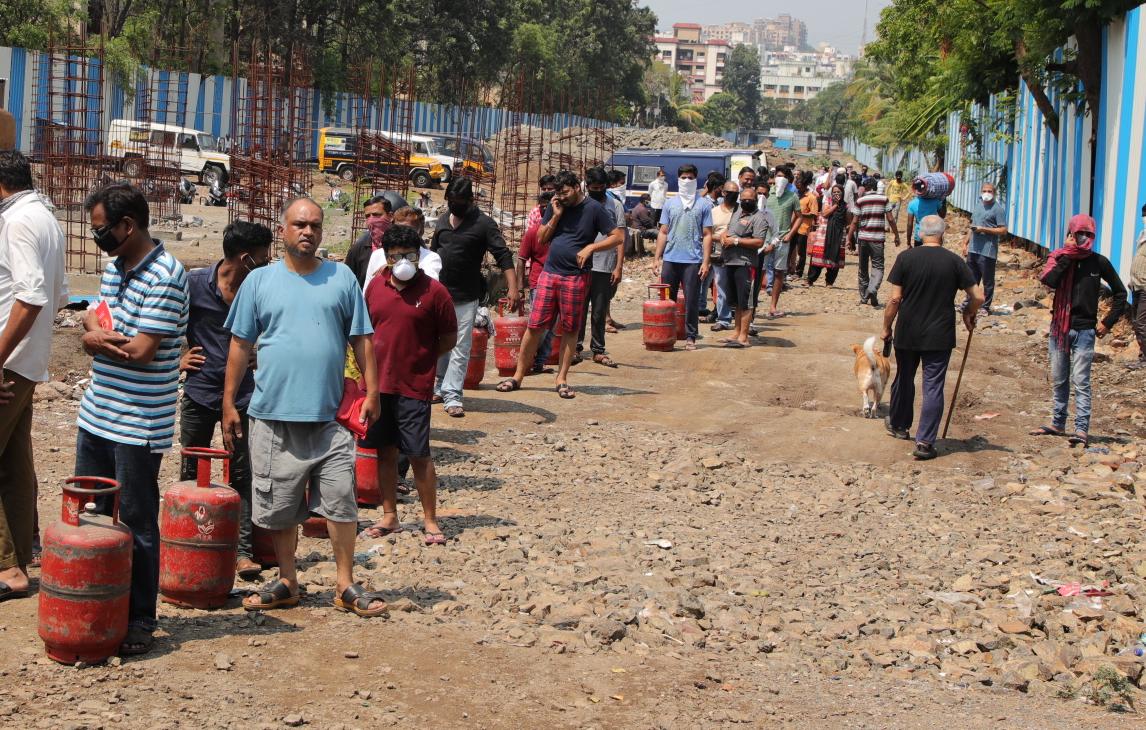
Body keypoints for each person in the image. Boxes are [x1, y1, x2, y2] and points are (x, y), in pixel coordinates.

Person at [223, 197, 385, 618]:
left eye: (314, 225)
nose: (308, 232)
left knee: (341, 502)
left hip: (330, 417)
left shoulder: (342, 278)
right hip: (273, 416)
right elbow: (240, 344)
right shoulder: (259, 282)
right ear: (284, 230)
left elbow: (362, 339)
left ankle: (345, 583)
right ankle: (288, 579)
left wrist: (372, 391)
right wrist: (228, 402)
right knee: (278, 507)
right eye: (299, 224)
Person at [75, 183, 189, 654]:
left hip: (138, 422)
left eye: (102, 229)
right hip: (97, 412)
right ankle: (100, 602)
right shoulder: (114, 266)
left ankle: (140, 616)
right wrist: (97, 333)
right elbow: (92, 316)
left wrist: (98, 339)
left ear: (128, 226)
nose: (97, 236)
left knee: (138, 519)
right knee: (92, 513)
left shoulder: (165, 274)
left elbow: (142, 351)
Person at [179, 220, 272, 582]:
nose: (267, 265)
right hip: (200, 393)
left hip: (244, 396)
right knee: (192, 471)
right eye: (263, 259)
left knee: (242, 470)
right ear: (246, 258)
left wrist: (260, 353)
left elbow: (275, 329)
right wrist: (178, 359)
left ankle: (243, 552)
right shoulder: (194, 285)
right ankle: (188, 541)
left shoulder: (259, 290)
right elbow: (167, 324)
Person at [360, 225, 458, 544]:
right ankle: (390, 515)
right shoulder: (375, 287)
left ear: (419, 256)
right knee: (384, 452)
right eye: (396, 255)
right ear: (386, 258)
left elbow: (448, 338)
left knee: (419, 454)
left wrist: (423, 359)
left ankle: (430, 519)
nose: (403, 261)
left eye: (409, 255)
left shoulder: (435, 292)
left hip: (414, 386)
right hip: (378, 386)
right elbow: (365, 332)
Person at [0, 151, 67, 603]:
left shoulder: (17, 223)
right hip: (26, 360)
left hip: (8, 361)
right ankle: (19, 556)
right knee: (14, 462)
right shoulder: (45, 218)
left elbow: (32, 296)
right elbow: (59, 297)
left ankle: (9, 566)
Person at [496, 169, 620, 398]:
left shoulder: (594, 209)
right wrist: (555, 215)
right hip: (549, 274)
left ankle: (562, 379)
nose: (561, 197)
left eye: (565, 192)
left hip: (576, 276)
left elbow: (617, 236)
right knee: (534, 327)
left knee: (570, 328)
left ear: (577, 187)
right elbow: (542, 238)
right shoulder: (556, 206)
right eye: (558, 193)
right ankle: (518, 376)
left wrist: (592, 247)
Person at [882, 215, 983, 461]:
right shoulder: (954, 261)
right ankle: (925, 442)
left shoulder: (906, 258)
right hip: (939, 333)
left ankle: (899, 425)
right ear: (943, 233)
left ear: (920, 233)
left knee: (904, 377)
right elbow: (978, 296)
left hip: (908, 330)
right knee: (933, 386)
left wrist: (886, 327)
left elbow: (895, 299)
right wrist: (968, 313)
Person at [1028, 214, 1127, 447]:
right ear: (1070, 235)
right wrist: (1067, 259)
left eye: (1087, 234)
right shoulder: (1059, 258)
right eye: (1077, 233)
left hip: (1085, 331)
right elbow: (1050, 281)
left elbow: (1121, 293)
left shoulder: (1098, 262)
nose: (1082, 238)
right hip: (1059, 330)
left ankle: (1081, 429)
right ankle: (1058, 422)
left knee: (1081, 380)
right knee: (1059, 378)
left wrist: (1107, 322)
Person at [431, 177, 518, 418]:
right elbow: (431, 255)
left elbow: (503, 256)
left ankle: (452, 395)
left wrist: (513, 288)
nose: (454, 205)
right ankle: (437, 387)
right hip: (438, 294)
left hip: (466, 295)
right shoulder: (442, 221)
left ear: (471, 201)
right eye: (450, 201)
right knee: (438, 344)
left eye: (459, 201)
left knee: (460, 346)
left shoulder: (484, 224)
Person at [652, 164, 713, 351]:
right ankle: (666, 333)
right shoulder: (670, 203)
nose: (687, 181)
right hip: (671, 259)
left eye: (690, 178)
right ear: (678, 180)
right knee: (666, 299)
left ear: (696, 180)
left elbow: (708, 234)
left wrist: (705, 261)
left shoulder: (703, 204)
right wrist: (657, 258)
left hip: (692, 261)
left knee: (691, 299)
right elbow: (663, 231)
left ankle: (691, 336)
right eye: (684, 177)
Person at [576, 167, 625, 367]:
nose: (597, 190)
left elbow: (621, 237)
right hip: (581, 265)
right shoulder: (580, 205)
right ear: (587, 186)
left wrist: (618, 266)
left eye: (601, 187)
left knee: (598, 310)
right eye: (593, 187)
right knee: (578, 309)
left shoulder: (615, 205)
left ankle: (598, 349)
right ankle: (576, 348)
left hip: (604, 266)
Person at [720, 186, 774, 347]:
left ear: (755, 200)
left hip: (746, 263)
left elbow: (758, 241)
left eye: (749, 200)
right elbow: (730, 230)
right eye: (743, 199)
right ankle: (736, 332)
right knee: (736, 301)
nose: (746, 202)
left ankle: (744, 336)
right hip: (731, 261)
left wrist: (736, 241)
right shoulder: (737, 213)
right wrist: (724, 235)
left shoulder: (759, 218)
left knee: (747, 301)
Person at [517, 191, 557, 374]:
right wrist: (519, 287)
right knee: (539, 325)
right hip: (538, 282)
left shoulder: (560, 233)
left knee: (552, 326)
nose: (543, 208)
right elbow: (520, 259)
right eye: (541, 205)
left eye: (547, 205)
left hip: (559, 280)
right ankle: (529, 359)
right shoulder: (532, 233)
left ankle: (539, 362)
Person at [850, 178, 900, 307]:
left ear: (865, 188)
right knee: (878, 266)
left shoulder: (860, 200)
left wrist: (850, 237)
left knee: (863, 268)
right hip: (877, 239)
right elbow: (891, 218)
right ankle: (872, 290)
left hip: (863, 238)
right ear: (875, 187)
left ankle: (864, 297)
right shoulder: (883, 199)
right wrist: (896, 235)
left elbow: (855, 221)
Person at [960, 182, 1007, 313]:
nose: (987, 193)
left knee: (987, 280)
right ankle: (969, 302)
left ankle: (985, 306)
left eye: (990, 191)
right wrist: (965, 243)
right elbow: (972, 226)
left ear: (994, 193)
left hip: (988, 250)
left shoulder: (997, 210)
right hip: (973, 249)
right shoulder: (978, 206)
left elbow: (1003, 230)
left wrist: (984, 229)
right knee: (971, 278)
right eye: (984, 190)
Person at [364, 207, 442, 282]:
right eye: (398, 229)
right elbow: (367, 290)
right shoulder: (377, 255)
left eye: (409, 231)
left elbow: (430, 284)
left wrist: (391, 270)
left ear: (420, 231)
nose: (403, 234)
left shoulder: (430, 258)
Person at [344, 192, 406, 285]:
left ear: (390, 216)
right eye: (367, 216)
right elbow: (348, 282)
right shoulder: (358, 249)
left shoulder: (405, 244)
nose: (371, 220)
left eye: (376, 215)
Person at [762, 168, 800, 319]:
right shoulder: (766, 194)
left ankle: (773, 307)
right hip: (764, 239)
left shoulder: (792, 196)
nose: (780, 179)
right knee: (760, 271)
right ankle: (751, 306)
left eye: (784, 177)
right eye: (778, 176)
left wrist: (790, 234)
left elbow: (799, 216)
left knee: (779, 273)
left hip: (783, 239)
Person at [709, 181, 740, 333]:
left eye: (736, 192)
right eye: (730, 191)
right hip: (720, 255)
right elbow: (707, 234)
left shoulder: (741, 211)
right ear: (723, 192)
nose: (733, 195)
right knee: (721, 287)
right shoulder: (714, 212)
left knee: (739, 288)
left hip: (739, 254)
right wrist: (720, 238)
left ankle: (743, 320)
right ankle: (723, 319)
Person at [807, 178, 848, 286]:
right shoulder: (828, 202)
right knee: (818, 256)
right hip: (824, 233)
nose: (836, 194)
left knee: (835, 256)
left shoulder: (845, 205)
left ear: (842, 193)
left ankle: (829, 281)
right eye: (834, 192)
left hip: (839, 234)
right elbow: (825, 214)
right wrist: (835, 205)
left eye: (838, 192)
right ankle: (810, 279)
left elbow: (848, 220)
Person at [790, 171, 819, 279]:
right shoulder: (795, 195)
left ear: (805, 185)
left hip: (803, 228)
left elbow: (813, 214)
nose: (798, 189)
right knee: (789, 249)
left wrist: (800, 214)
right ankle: (789, 270)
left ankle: (799, 272)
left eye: (800, 187)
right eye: (797, 187)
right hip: (792, 227)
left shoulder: (811, 197)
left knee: (801, 252)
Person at [1129, 203, 1146, 370]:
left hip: (1145, 288)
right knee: (1136, 322)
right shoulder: (1142, 236)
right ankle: (1142, 356)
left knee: (1141, 322)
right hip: (1136, 286)